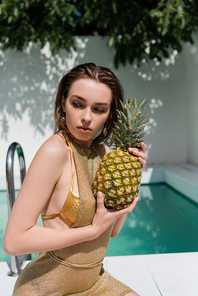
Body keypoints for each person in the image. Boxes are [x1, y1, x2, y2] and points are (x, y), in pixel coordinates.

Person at [4, 63, 147, 296]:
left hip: (95, 284)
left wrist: (132, 178)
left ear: (110, 114)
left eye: (99, 109)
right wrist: (91, 231)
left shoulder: (106, 156)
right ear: (63, 102)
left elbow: (111, 231)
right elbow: (13, 241)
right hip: (46, 286)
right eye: (77, 104)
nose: (86, 117)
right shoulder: (55, 151)